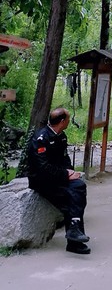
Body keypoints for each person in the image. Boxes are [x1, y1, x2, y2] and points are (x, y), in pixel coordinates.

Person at [26, 107, 91, 255]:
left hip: (58, 177)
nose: (69, 122)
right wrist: (65, 175)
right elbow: (42, 168)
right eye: (68, 119)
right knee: (72, 198)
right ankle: (74, 242)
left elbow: (64, 159)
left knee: (79, 186)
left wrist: (71, 171)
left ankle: (75, 233)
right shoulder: (41, 139)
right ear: (62, 121)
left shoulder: (61, 136)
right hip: (42, 181)